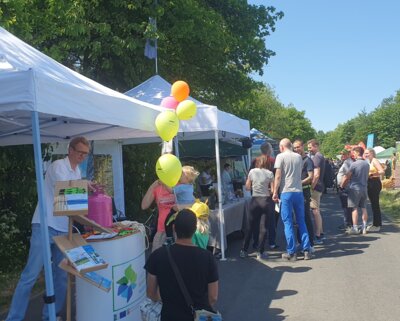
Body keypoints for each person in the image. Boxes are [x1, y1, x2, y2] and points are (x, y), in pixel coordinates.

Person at [6, 137, 90, 321]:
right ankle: (13, 318)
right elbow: (65, 192)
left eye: (85, 154)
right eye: (80, 152)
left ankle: (50, 315)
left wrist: (84, 188)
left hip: (62, 228)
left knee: (60, 276)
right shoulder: (58, 166)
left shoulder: (77, 172)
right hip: (45, 225)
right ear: (70, 150)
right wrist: (84, 187)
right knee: (31, 275)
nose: (82, 157)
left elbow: (73, 201)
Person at [145, 209, 219, 321]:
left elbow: (151, 293)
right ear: (195, 230)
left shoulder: (158, 255)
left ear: (174, 228)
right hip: (198, 316)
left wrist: (166, 299)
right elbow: (213, 297)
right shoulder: (207, 257)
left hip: (169, 316)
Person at [273, 138, 312, 261]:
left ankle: (291, 252)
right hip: (299, 192)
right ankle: (307, 250)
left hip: (286, 192)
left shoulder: (280, 157)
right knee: (301, 221)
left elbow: (278, 176)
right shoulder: (298, 157)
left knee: (288, 222)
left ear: (282, 146)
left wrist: (274, 192)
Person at [240, 155, 274, 260]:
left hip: (255, 200)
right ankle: (260, 251)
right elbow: (272, 190)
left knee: (250, 226)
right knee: (263, 228)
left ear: (258, 162)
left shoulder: (252, 172)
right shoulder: (270, 174)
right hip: (266, 201)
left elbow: (247, 187)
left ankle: (244, 250)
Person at [341, 146, 370, 235]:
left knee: (354, 208)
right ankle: (364, 227)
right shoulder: (366, 164)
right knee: (364, 208)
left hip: (354, 188)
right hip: (364, 188)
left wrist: (342, 185)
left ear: (357, 153)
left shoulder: (354, 164)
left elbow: (347, 176)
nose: (353, 154)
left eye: (354, 152)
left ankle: (355, 228)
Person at [141, 179, 176, 252]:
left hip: (178, 230)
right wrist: (153, 185)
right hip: (161, 230)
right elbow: (144, 206)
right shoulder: (157, 187)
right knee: (156, 258)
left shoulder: (179, 185)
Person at [293, 139, 315, 247]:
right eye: (295, 147)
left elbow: (311, 177)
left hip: (304, 191)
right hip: (296, 191)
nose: (296, 149)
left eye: (298, 147)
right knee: (298, 218)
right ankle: (300, 241)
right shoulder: (295, 160)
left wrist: (299, 183)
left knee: (306, 217)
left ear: (302, 147)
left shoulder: (308, 160)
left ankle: (310, 242)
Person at [307, 139, 326, 244]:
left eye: (310, 147)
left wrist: (311, 187)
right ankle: (321, 233)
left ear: (316, 146)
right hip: (319, 186)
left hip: (316, 187)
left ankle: (318, 235)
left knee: (315, 211)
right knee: (316, 210)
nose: (309, 149)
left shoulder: (317, 157)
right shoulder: (318, 156)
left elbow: (316, 174)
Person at [364, 148, 385, 232]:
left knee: (375, 204)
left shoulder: (375, 160)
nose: (366, 155)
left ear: (372, 153)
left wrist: (371, 174)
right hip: (371, 182)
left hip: (374, 183)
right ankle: (376, 223)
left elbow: (382, 171)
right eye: (365, 153)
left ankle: (377, 225)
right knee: (373, 204)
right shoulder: (370, 161)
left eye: (367, 153)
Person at [336, 149, 354, 231]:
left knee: (346, 206)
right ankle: (348, 223)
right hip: (346, 186)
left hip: (345, 187)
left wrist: (342, 185)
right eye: (341, 154)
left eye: (344, 154)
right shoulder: (347, 162)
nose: (342, 156)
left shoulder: (347, 162)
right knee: (346, 206)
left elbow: (347, 175)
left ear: (348, 154)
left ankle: (348, 223)